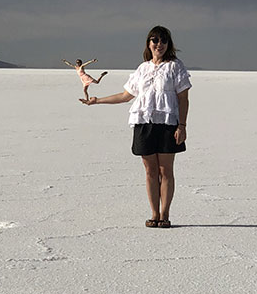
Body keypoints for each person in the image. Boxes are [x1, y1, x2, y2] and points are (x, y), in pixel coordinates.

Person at [81, 26, 191, 228]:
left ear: (169, 44)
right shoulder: (142, 68)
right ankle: (154, 214)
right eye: (155, 40)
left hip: (167, 123)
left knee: (165, 170)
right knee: (150, 170)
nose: (159, 44)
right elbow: (125, 96)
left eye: (164, 40)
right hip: (143, 123)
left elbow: (183, 98)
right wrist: (97, 101)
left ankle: (165, 215)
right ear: (148, 43)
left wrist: (182, 125)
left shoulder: (175, 66)